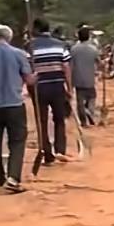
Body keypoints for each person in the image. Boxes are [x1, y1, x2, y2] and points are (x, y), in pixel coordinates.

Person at [0, 23, 33, 192]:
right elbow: (29, 80)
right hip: (15, 105)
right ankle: (13, 177)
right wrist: (36, 76)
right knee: (17, 141)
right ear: (8, 37)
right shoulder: (19, 54)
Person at [30, 19, 72, 164]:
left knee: (42, 121)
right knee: (59, 119)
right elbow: (66, 67)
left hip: (38, 88)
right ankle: (60, 150)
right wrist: (69, 87)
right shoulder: (60, 45)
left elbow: (27, 69)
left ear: (35, 29)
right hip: (57, 86)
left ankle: (47, 153)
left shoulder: (30, 46)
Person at [70, 26, 100, 127]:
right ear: (88, 37)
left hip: (77, 78)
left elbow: (70, 65)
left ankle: (83, 121)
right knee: (92, 97)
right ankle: (89, 111)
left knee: (80, 101)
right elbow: (99, 62)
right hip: (90, 77)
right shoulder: (93, 49)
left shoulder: (73, 49)